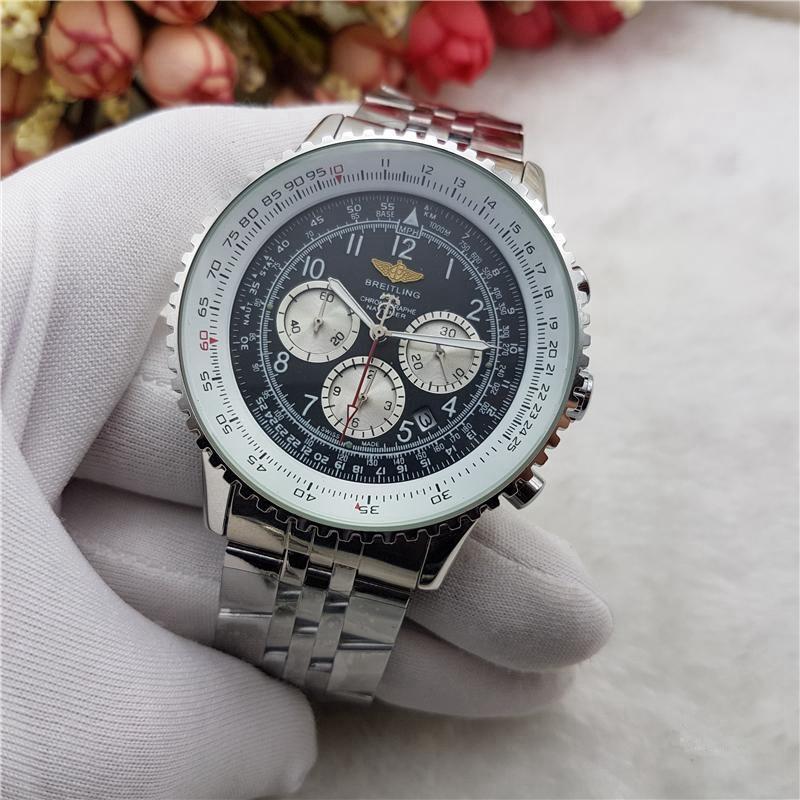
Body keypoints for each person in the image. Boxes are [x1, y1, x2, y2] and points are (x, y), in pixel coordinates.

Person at [1, 104, 612, 800]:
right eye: (356, 319)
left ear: (565, 396)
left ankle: (306, 659)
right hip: (259, 463)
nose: (377, 333)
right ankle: (293, 659)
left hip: (402, 499)